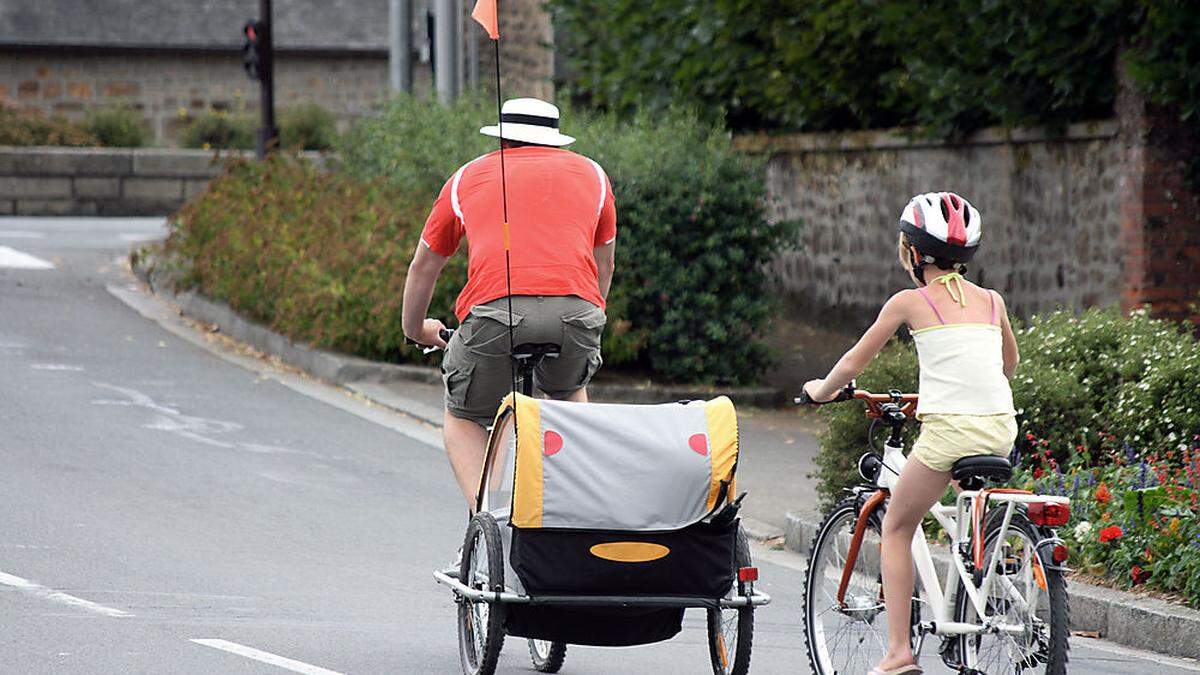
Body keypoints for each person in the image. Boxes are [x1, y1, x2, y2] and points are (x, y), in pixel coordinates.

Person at [801, 192, 1019, 675]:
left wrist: (820, 391)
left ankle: (899, 652)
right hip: (1001, 427)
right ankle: (975, 587)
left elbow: (855, 361)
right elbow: (1009, 365)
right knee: (966, 509)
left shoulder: (908, 302)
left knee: (898, 527)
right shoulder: (992, 301)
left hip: (950, 433)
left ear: (914, 253)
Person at [402, 97, 617, 506]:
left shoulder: (467, 177)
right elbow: (603, 265)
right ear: (556, 141)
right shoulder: (594, 175)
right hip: (579, 309)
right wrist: (581, 320)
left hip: (496, 312)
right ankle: (576, 511)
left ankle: (490, 520)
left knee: (466, 415)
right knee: (569, 392)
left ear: (501, 139)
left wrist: (416, 330)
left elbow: (424, 266)